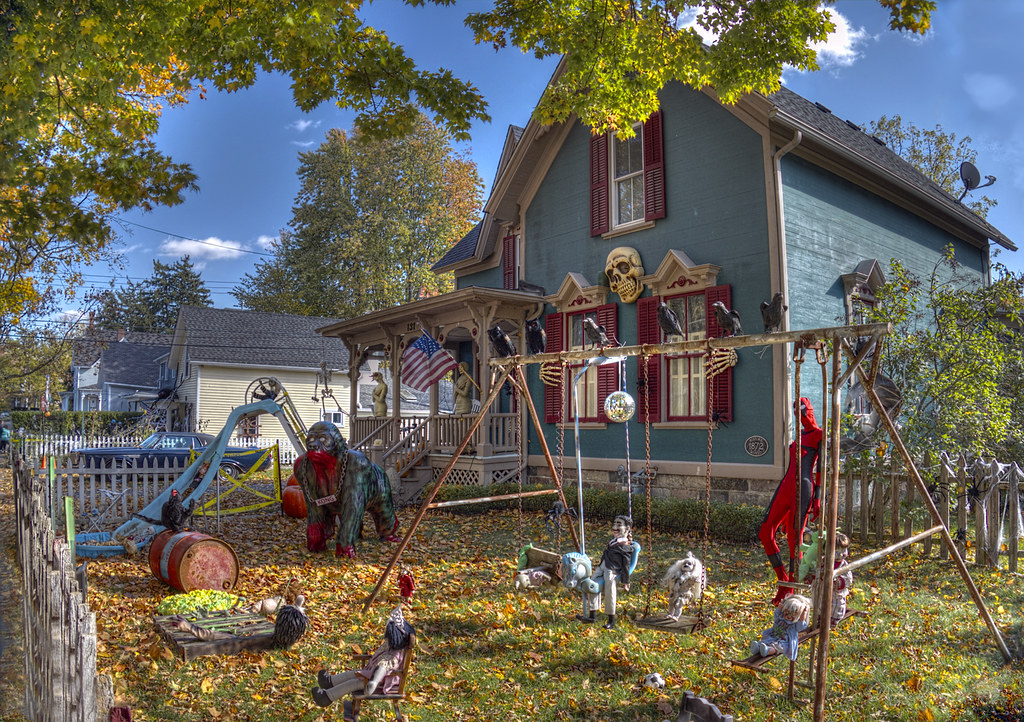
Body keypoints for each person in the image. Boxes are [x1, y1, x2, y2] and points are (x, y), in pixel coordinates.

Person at [758, 397, 823, 605]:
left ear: (810, 410)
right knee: (765, 532)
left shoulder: (821, 435)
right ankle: (784, 581)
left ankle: (793, 587)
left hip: (803, 487)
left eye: (804, 410)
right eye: (797, 411)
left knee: (795, 537)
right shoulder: (798, 436)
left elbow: (821, 469)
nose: (801, 414)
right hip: (786, 484)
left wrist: (818, 499)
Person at [311, 605, 414, 711]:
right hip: (371, 675)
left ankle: (327, 697)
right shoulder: (390, 647)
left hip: (380, 682)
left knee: (353, 683)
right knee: (353, 674)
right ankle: (330, 682)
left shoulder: (393, 655)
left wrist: (374, 682)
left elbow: (383, 667)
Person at [577, 515, 637, 630]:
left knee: (610, 590)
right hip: (603, 566)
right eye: (614, 524)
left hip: (612, 570)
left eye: (619, 525)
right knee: (591, 584)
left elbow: (626, 565)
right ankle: (592, 614)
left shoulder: (625, 546)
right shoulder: (614, 541)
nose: (614, 527)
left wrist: (626, 581)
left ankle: (611, 619)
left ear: (627, 528)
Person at [806, 532, 853, 628]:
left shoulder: (843, 565)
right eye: (837, 551)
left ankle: (834, 619)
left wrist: (839, 582)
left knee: (836, 606)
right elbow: (816, 571)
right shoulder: (822, 561)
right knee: (819, 603)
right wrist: (812, 577)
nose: (842, 554)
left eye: (844, 550)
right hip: (821, 590)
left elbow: (848, 578)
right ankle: (820, 617)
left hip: (835, 593)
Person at [750, 594, 811, 661]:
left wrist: (803, 614)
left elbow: (801, 626)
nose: (788, 616)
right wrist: (782, 604)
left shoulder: (794, 624)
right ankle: (757, 648)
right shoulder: (780, 618)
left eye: (792, 615)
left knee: (778, 647)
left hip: (785, 641)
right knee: (766, 640)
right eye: (786, 613)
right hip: (774, 635)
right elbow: (777, 612)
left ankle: (768, 650)